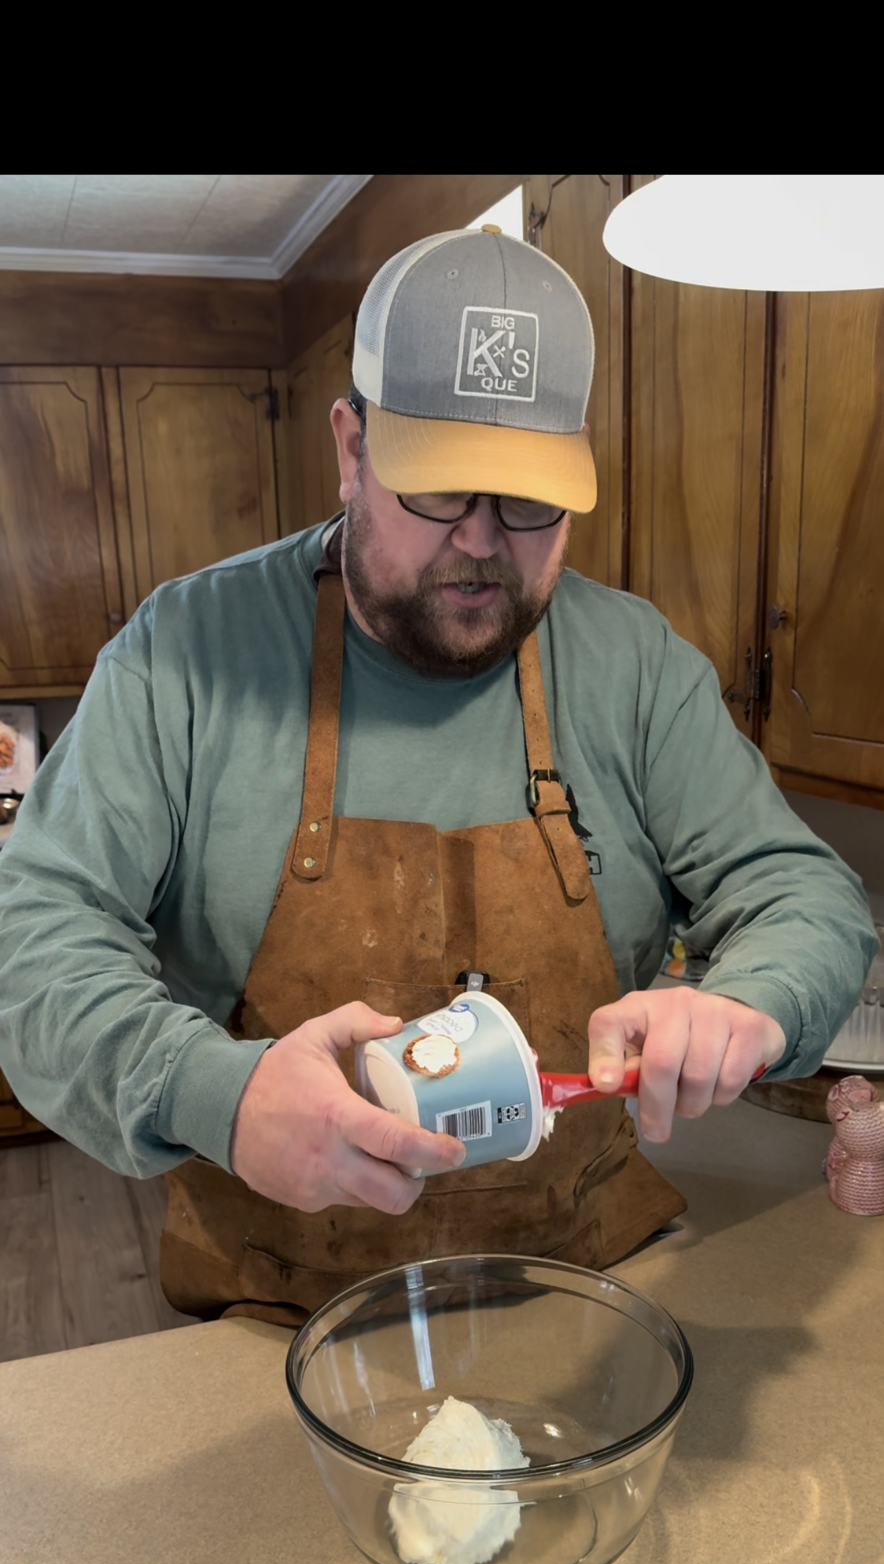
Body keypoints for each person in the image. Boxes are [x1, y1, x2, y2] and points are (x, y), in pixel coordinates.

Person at [0, 228, 876, 1327]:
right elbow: (30, 941)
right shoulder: (184, 652)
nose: (477, 545)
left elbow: (807, 899)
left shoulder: (636, 666)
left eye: (525, 504)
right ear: (350, 447)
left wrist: (752, 1001)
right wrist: (206, 1091)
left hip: (585, 1288)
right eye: (434, 491)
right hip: (280, 1312)